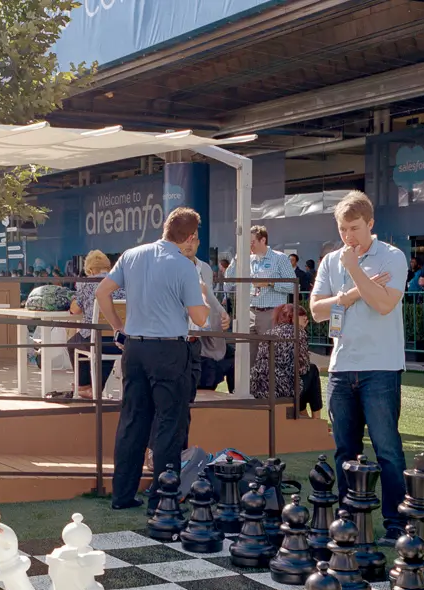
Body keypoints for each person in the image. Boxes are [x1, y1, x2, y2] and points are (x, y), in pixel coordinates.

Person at [309, 190, 408, 545]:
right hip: (340, 367)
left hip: (380, 367)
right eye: (342, 229)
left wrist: (355, 274)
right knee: (344, 449)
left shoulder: (393, 257)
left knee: (387, 449)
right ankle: (347, 517)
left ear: (370, 224)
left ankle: (396, 523)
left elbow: (384, 305)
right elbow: (317, 311)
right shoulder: (330, 260)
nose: (347, 236)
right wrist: (347, 295)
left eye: (353, 228)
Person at [97, 207, 207, 512]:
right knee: (169, 424)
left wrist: (118, 327)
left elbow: (103, 292)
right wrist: (202, 295)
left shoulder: (132, 255)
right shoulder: (185, 266)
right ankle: (162, 499)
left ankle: (122, 494)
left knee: (133, 421)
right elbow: (199, 316)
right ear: (189, 237)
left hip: (134, 347)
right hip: (169, 349)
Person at [227, 225, 296, 364]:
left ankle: (272, 386)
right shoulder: (248, 259)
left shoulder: (280, 258)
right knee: (248, 358)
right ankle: (250, 385)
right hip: (250, 313)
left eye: (251, 242)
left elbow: (293, 286)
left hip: (271, 313)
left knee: (271, 357)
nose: (249, 246)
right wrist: (237, 257)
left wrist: (270, 283)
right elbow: (228, 282)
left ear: (263, 240)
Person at [183, 239, 229, 444]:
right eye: (185, 237)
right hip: (176, 336)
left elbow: (208, 294)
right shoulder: (170, 265)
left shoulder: (204, 269)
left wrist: (221, 312)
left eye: (193, 238)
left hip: (198, 332)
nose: (189, 243)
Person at [68, 249, 124, 399]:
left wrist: (74, 299)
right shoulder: (121, 283)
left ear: (91, 270)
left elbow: (75, 310)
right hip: (120, 341)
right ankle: (96, 387)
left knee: (73, 343)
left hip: (95, 339)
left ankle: (84, 386)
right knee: (106, 346)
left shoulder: (87, 284)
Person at [248, 303, 311, 402]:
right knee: (313, 372)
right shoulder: (299, 333)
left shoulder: (268, 333)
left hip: (259, 386)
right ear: (292, 316)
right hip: (281, 387)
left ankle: (304, 412)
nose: (306, 318)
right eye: (302, 314)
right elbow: (303, 367)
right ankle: (314, 414)